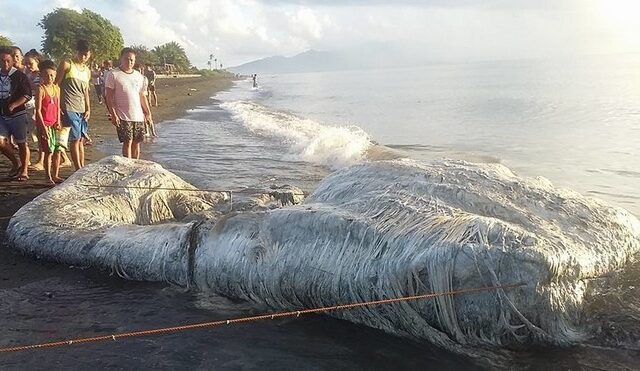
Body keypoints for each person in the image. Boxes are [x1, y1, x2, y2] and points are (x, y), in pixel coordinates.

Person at [105, 48, 152, 159]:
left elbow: (142, 96)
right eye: (127, 59)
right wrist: (113, 114)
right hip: (123, 115)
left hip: (138, 115)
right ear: (121, 59)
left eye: (132, 60)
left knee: (137, 142)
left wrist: (148, 113)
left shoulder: (139, 77)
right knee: (128, 141)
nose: (129, 62)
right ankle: (128, 165)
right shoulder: (113, 74)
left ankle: (135, 165)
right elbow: (109, 97)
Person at [56, 39, 91, 170]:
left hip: (82, 108)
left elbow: (86, 92)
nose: (84, 57)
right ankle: (78, 169)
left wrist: (88, 108)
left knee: (81, 139)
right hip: (69, 106)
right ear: (76, 52)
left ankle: (82, 167)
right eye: (82, 54)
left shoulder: (87, 71)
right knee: (75, 139)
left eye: (87, 55)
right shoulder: (67, 65)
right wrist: (58, 105)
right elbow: (56, 85)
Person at [0, 47, 32, 180]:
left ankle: (24, 170)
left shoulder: (19, 76)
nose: (5, 64)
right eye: (2, 61)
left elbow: (27, 94)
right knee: (1, 142)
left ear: (13, 61)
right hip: (2, 115)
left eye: (8, 61)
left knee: (21, 143)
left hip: (18, 114)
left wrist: (15, 104)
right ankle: (15, 162)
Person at [35, 60, 64, 184]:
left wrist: (58, 121)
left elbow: (57, 107)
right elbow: (38, 110)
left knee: (58, 150)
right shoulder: (40, 89)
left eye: (52, 75)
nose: (50, 77)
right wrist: (43, 128)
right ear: (41, 75)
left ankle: (55, 174)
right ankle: (48, 177)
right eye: (46, 75)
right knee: (48, 151)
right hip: (45, 125)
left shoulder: (57, 89)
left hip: (55, 124)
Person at [23, 49, 44, 170]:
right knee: (26, 135)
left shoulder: (42, 74)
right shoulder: (26, 73)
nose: (28, 66)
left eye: (30, 63)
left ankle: (41, 160)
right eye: (26, 63)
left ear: (37, 61)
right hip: (26, 106)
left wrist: (29, 81)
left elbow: (40, 90)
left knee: (40, 135)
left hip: (38, 107)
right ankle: (27, 160)